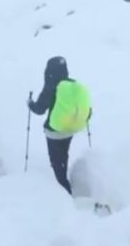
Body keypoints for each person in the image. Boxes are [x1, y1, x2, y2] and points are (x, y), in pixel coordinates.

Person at [28, 56, 91, 194]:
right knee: (63, 155)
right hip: (69, 130)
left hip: (54, 132)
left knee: (56, 161)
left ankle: (63, 190)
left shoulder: (51, 87)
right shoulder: (73, 85)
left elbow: (39, 109)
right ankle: (63, 176)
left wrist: (30, 104)